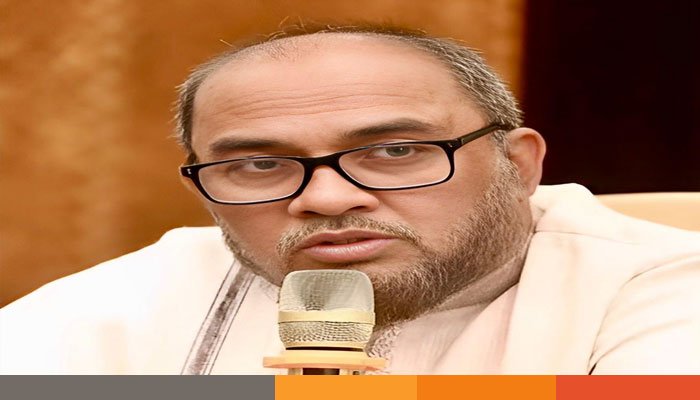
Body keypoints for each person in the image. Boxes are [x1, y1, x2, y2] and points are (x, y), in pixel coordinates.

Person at [1, 24, 699, 375]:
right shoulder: (147, 291)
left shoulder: (664, 285)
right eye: (259, 164)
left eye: (394, 152)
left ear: (518, 166)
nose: (327, 198)